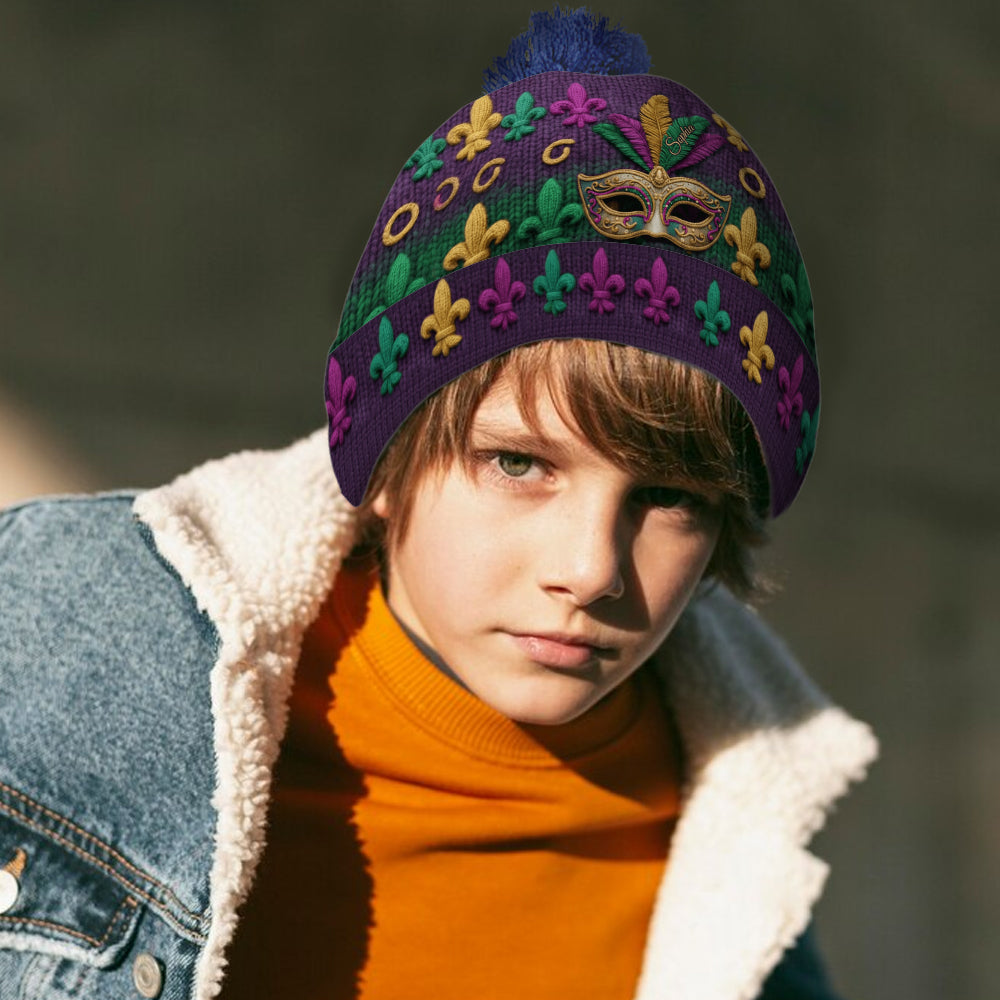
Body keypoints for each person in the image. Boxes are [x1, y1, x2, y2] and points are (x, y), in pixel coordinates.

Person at [0, 9, 877, 1000]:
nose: (590, 569)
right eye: (519, 464)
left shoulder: (740, 846)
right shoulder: (55, 648)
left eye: (669, 495)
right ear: (382, 455)